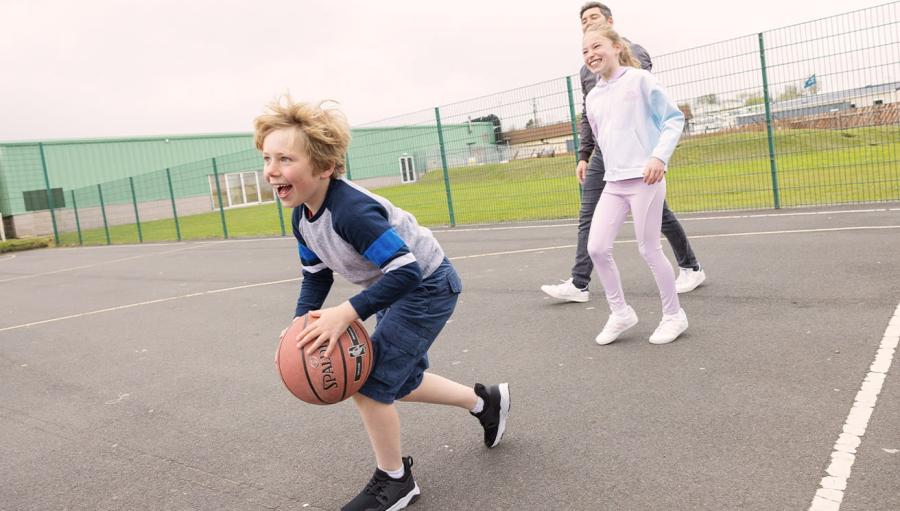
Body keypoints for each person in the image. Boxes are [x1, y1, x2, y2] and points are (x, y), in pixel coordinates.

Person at [255, 98, 510, 511]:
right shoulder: (303, 217)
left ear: (323, 167)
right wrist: (300, 323)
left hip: (427, 285)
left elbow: (407, 270)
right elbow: (316, 275)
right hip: (396, 287)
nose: (272, 169)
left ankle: (395, 480)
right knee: (399, 381)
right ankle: (485, 401)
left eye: (285, 158)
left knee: (371, 384)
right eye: (268, 158)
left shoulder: (351, 210)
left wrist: (348, 311)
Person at [541, 1, 705, 303]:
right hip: (606, 152)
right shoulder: (586, 69)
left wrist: (656, 154)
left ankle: (690, 268)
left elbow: (645, 101)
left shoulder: (634, 54)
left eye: (593, 17)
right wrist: (584, 153)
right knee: (589, 214)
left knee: (659, 219)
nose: (588, 22)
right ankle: (579, 283)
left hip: (638, 152)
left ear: (611, 24)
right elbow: (590, 113)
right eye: (583, 21)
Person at [581, 24, 689, 345]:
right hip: (614, 182)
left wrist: (658, 157)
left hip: (645, 179)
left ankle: (674, 315)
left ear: (616, 46)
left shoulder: (640, 80)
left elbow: (673, 119)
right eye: (585, 51)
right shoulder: (593, 97)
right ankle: (621, 313)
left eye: (596, 46)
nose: (590, 54)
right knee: (597, 248)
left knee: (649, 249)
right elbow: (602, 138)